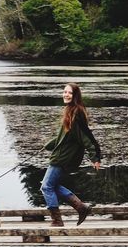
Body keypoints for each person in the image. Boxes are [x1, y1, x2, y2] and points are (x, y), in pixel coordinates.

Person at [41, 82, 101, 227]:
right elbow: (64, 136)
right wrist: (48, 145)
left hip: (64, 158)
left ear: (75, 96)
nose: (66, 95)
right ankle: (81, 208)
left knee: (46, 187)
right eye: (64, 92)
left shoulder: (76, 113)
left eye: (69, 93)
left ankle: (57, 220)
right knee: (52, 186)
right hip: (62, 155)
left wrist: (95, 157)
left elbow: (86, 138)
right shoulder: (69, 111)